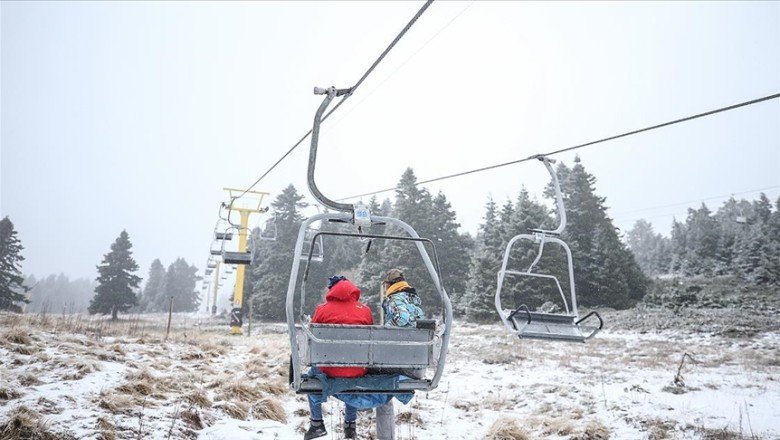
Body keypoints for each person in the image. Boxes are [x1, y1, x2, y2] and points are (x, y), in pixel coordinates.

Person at [304, 275, 373, 440]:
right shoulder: (364, 310)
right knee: (352, 377)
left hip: (328, 368)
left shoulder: (322, 310)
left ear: (332, 290)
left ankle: (316, 423)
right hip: (358, 369)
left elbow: (312, 339)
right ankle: (350, 425)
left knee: (311, 378)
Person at [375, 268, 425, 440]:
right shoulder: (414, 300)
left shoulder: (394, 298)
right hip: (416, 361)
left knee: (378, 383)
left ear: (389, 284)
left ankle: (359, 411)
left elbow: (402, 318)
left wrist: (384, 330)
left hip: (400, 361)